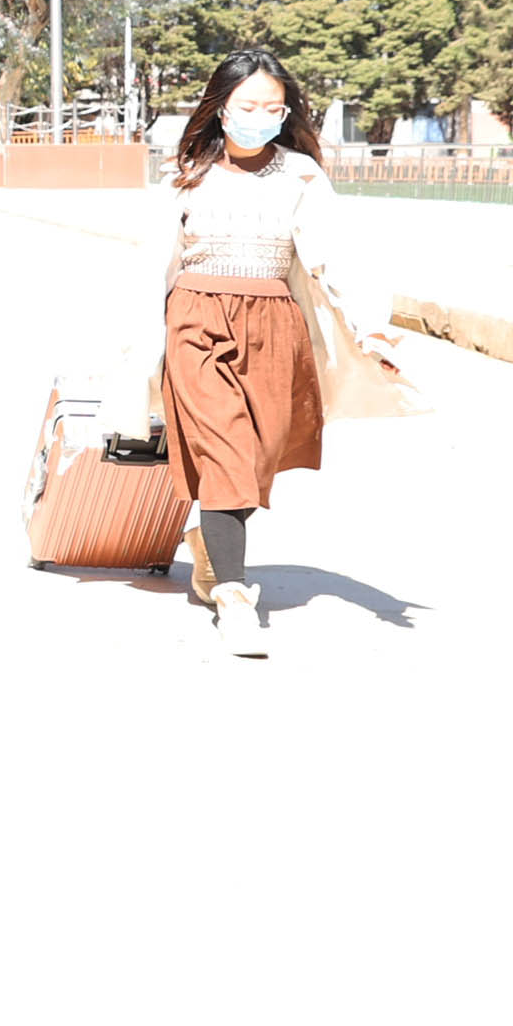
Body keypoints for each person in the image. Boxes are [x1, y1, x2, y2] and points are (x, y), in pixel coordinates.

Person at [154, 47, 395, 659]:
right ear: (220, 107)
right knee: (227, 451)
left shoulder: (300, 175)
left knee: (258, 457)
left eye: (273, 108)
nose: (260, 117)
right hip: (196, 319)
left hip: (272, 324)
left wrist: (370, 327)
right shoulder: (185, 173)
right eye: (248, 105)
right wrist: (138, 346)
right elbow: (153, 261)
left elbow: (337, 253)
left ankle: (211, 547)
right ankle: (234, 598)